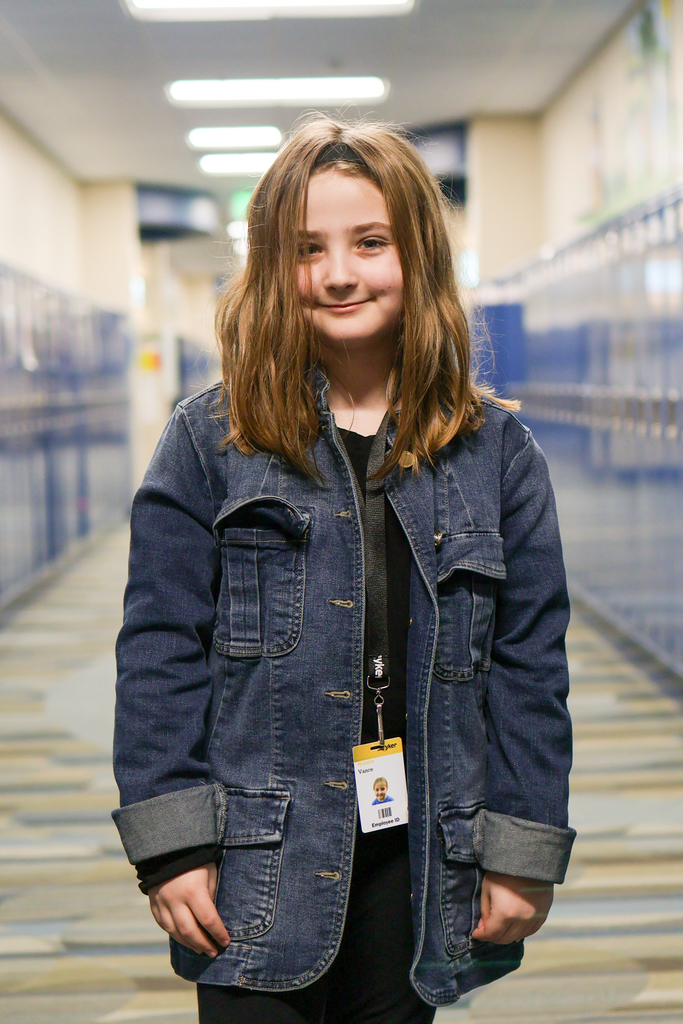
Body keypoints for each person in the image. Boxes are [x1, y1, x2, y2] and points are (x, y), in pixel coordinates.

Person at [112, 117, 575, 1024]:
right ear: (267, 267)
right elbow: (160, 646)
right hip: (253, 856)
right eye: (305, 249)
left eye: (370, 242)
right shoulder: (208, 441)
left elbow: (530, 666)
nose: (336, 273)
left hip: (421, 857)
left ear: (418, 255)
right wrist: (170, 846)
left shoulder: (499, 455)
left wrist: (521, 848)